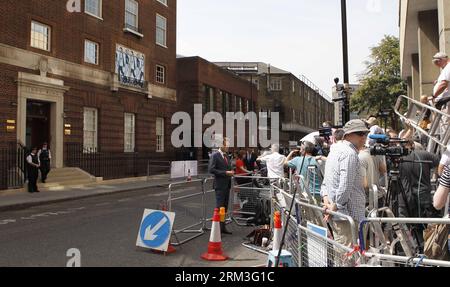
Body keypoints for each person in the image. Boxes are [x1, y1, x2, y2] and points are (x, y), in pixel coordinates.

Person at [320, 119, 368, 247]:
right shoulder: (349, 154)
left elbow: (326, 182)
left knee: (343, 255)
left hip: (338, 214)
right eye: (360, 133)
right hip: (348, 216)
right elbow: (345, 185)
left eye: (365, 134)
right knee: (348, 258)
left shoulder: (334, 150)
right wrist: (334, 206)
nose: (364, 137)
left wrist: (328, 203)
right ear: (348, 135)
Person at [208, 138, 234, 234]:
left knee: (224, 208)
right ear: (221, 145)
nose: (228, 147)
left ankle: (222, 227)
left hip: (227, 185)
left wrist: (231, 171)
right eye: (227, 145)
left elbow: (228, 167)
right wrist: (225, 172)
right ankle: (217, 229)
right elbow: (211, 169)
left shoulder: (226, 156)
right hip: (219, 185)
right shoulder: (215, 156)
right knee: (219, 207)